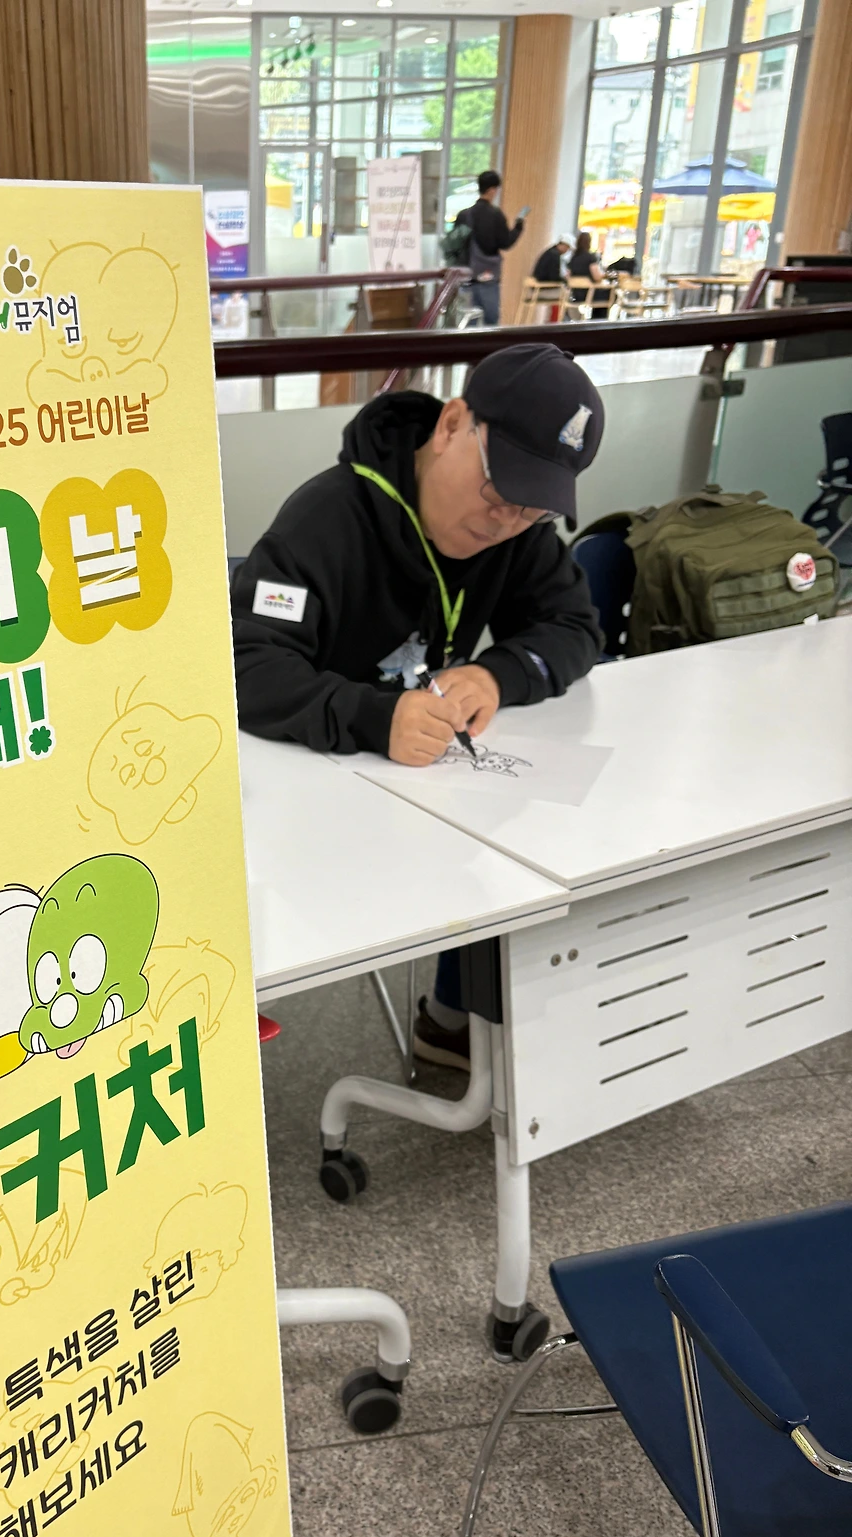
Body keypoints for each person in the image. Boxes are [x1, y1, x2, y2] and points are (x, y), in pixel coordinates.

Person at [231, 345, 605, 1069]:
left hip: (431, 790)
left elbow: (573, 626)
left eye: (532, 509)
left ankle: (458, 1018)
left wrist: (496, 675)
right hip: (308, 809)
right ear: (453, 424)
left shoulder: (517, 532)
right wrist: (374, 717)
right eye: (498, 491)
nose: (504, 521)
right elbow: (247, 664)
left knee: (528, 846)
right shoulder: (326, 520)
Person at [464, 170, 525, 327]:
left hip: (466, 276)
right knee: (491, 322)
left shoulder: (464, 215)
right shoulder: (496, 215)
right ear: (492, 190)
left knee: (466, 321)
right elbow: (506, 242)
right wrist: (518, 227)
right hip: (488, 275)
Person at [567, 231, 611, 319]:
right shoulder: (590, 257)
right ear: (589, 242)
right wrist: (605, 276)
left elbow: (568, 275)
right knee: (609, 294)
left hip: (576, 294)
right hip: (590, 293)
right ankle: (598, 320)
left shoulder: (573, 258)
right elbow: (597, 277)